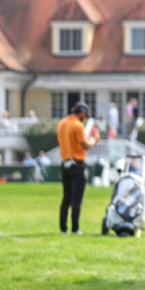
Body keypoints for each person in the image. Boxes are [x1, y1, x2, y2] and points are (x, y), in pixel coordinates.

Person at [57, 101, 99, 235]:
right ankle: (75, 228)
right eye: (85, 115)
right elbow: (85, 145)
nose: (85, 118)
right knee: (77, 199)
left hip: (65, 163)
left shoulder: (62, 123)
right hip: (78, 163)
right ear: (81, 113)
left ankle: (63, 228)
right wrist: (95, 138)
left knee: (66, 198)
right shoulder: (78, 125)